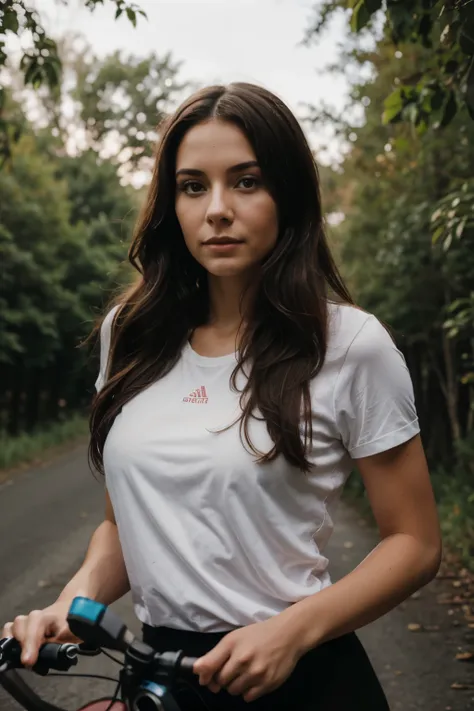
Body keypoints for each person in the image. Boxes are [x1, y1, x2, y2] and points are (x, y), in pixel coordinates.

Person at [2, 82, 441, 711]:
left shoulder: (351, 344)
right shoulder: (130, 335)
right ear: (170, 206)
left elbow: (416, 544)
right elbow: (121, 521)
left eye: (246, 181)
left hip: (302, 679)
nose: (217, 209)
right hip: (158, 680)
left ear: (287, 195)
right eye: (192, 186)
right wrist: (76, 604)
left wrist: (291, 632)